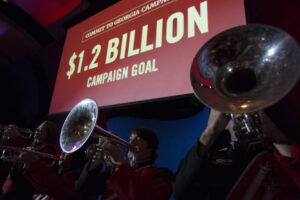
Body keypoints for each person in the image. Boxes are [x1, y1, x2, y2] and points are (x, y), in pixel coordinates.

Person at [172, 109, 300, 200]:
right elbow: (182, 194)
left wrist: (276, 137)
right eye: (228, 110)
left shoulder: (276, 150)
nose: (240, 114)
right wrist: (209, 134)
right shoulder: (209, 154)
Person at [75, 127, 174, 200]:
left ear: (151, 148)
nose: (131, 142)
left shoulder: (161, 176)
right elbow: (84, 189)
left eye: (138, 139)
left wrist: (120, 164)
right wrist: (94, 164)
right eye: (130, 138)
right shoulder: (114, 169)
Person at [0, 120, 58, 200]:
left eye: (41, 129)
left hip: (19, 191)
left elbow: (26, 166)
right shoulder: (32, 146)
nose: (37, 130)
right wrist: (7, 139)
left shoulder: (48, 150)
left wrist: (15, 137)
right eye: (37, 128)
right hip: (9, 187)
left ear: (49, 134)